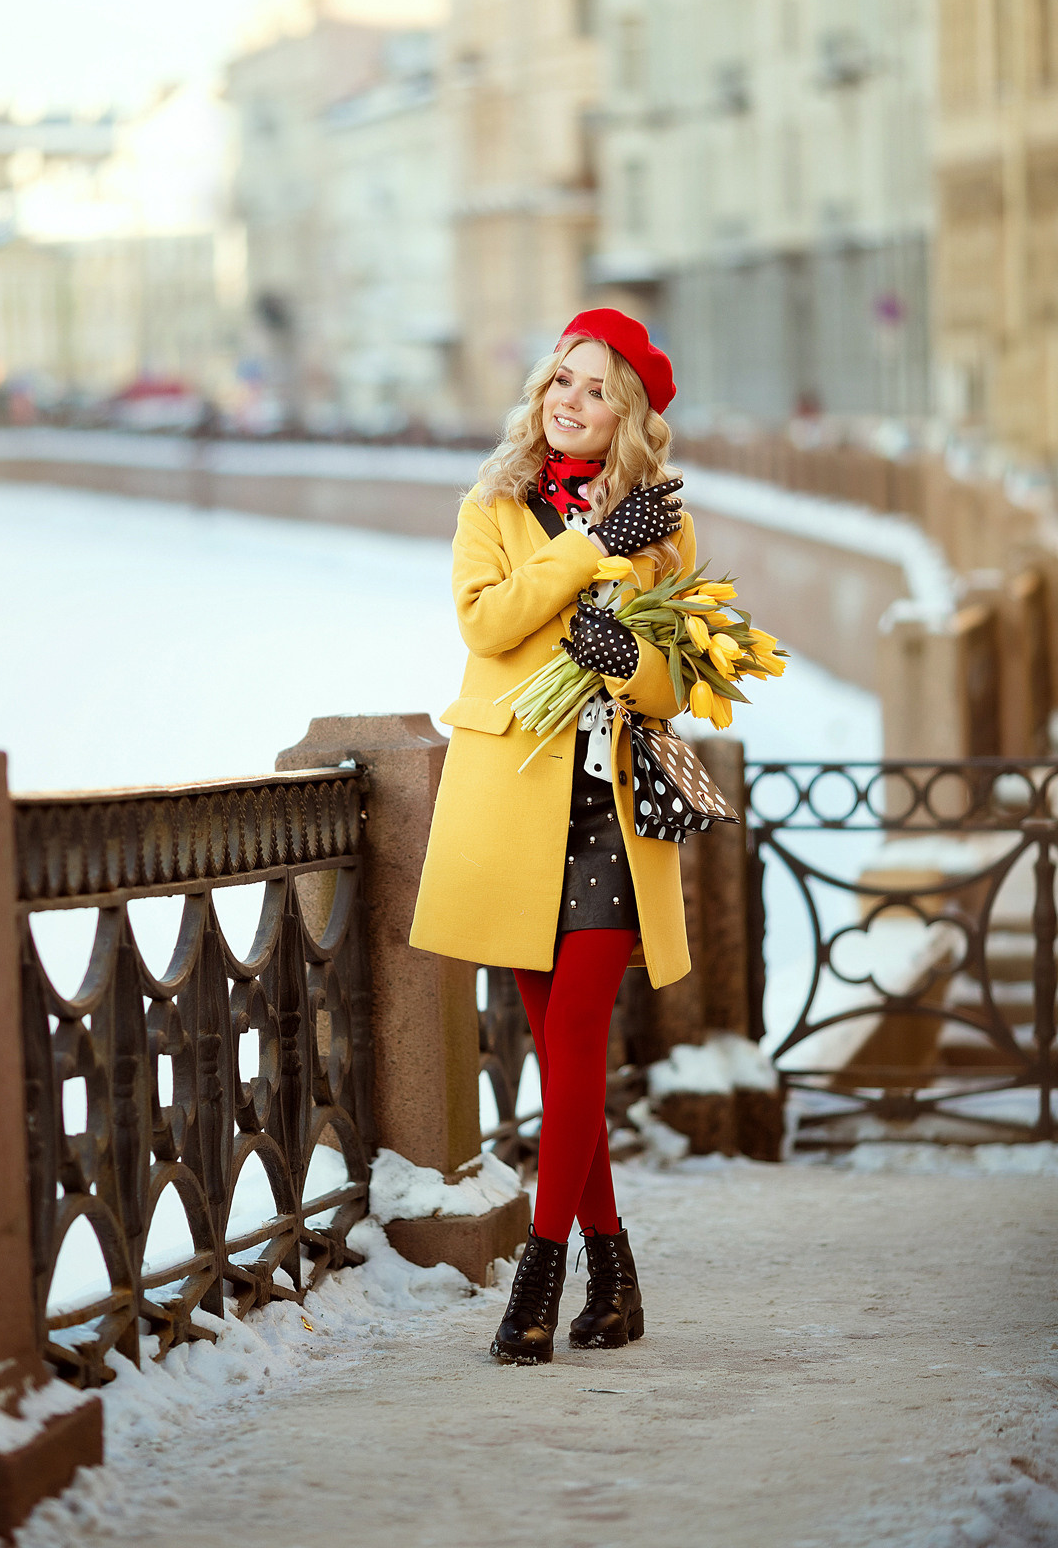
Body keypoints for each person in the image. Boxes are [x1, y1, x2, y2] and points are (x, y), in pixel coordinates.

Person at [410, 308, 697, 1365]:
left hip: (612, 811)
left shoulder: (664, 523)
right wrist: (582, 556)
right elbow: (485, 625)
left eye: (592, 391)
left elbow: (681, 682)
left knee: (575, 1039)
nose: (565, 403)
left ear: (626, 417)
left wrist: (621, 651)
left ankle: (539, 1271)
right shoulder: (492, 505)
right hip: (515, 807)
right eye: (557, 382)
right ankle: (613, 1267)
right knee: (561, 1052)